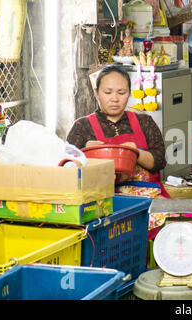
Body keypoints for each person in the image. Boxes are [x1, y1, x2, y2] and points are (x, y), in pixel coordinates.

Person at [67, 65, 171, 230]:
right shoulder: (82, 127)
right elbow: (68, 172)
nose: (114, 99)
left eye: (121, 93)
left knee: (176, 225)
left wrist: (135, 153)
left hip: (148, 196)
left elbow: (159, 162)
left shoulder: (145, 122)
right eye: (108, 93)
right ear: (96, 93)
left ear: (129, 93)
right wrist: (85, 154)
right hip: (105, 203)